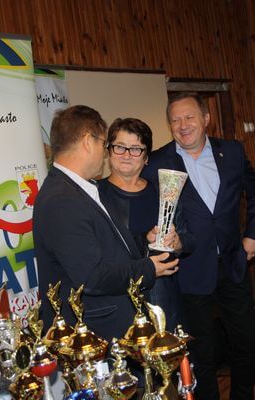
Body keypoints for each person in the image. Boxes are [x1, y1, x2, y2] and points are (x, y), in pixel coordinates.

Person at [142, 92, 255, 399]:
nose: (183, 125)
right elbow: (140, 200)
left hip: (232, 264)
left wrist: (254, 234)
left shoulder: (232, 152)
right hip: (189, 271)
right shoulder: (158, 161)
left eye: (189, 117)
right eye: (175, 120)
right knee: (201, 351)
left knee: (245, 341)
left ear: (206, 119)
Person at [33, 105, 179, 342]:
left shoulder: (79, 188)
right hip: (94, 333)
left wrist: (143, 240)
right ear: (87, 141)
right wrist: (149, 269)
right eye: (104, 143)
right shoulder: (62, 199)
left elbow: (104, 246)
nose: (105, 152)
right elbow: (92, 277)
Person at [97, 117, 195, 329]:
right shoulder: (95, 195)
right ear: (109, 151)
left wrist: (178, 242)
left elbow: (189, 239)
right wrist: (144, 240)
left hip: (163, 299)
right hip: (117, 302)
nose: (126, 155)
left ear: (146, 157)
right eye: (120, 147)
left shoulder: (164, 191)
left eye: (135, 149)